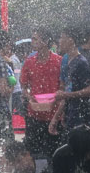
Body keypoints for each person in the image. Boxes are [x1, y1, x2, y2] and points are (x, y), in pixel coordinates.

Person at [19, 28, 62, 159]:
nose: (32, 42)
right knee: (34, 153)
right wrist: (29, 97)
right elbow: (23, 85)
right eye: (32, 38)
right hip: (34, 114)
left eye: (35, 39)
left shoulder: (59, 61)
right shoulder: (29, 62)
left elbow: (63, 87)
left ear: (45, 41)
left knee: (54, 153)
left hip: (55, 116)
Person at [50, 28, 90, 134]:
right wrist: (56, 117)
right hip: (70, 117)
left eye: (62, 37)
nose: (59, 41)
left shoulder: (81, 62)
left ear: (71, 40)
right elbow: (67, 92)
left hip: (81, 119)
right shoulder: (67, 61)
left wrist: (67, 95)